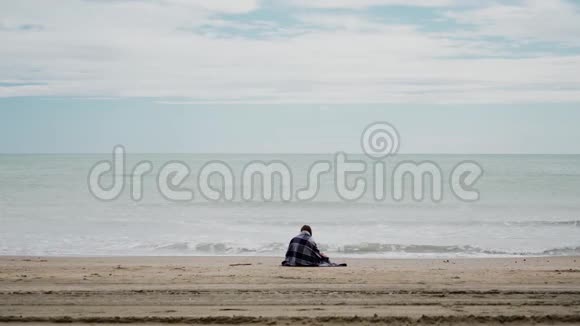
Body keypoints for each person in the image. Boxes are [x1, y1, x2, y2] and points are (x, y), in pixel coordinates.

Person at [281, 225, 346, 267]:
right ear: (310, 232)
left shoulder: (293, 239)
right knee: (323, 259)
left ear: (301, 231)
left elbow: (288, 254)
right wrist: (322, 256)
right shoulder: (310, 239)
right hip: (305, 262)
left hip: (292, 261)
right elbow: (316, 255)